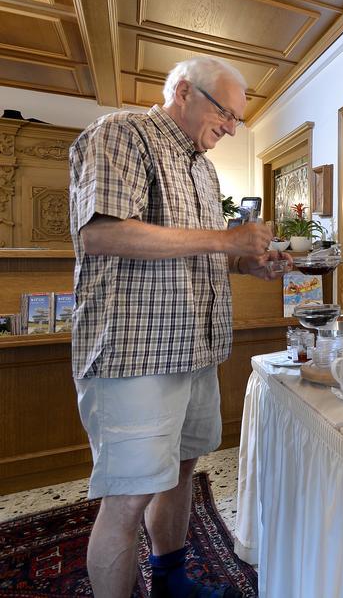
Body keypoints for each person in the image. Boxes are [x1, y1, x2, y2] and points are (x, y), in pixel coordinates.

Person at [68, 56, 290, 598]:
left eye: (238, 120)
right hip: (136, 354)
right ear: (185, 92)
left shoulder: (204, 168)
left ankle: (171, 580)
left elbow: (199, 250)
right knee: (127, 497)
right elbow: (101, 234)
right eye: (227, 114)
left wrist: (247, 262)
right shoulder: (123, 132)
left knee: (180, 470)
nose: (231, 127)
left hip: (197, 351)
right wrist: (226, 241)